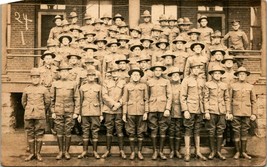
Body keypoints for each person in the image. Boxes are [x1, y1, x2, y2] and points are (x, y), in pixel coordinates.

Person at [50, 64, 80, 160]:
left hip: (70, 111)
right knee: (59, 130)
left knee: (68, 131)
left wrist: (76, 112)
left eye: (66, 71)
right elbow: (52, 99)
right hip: (58, 110)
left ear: (68, 73)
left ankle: (66, 151)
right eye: (62, 71)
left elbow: (77, 98)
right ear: (59, 73)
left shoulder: (73, 84)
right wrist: (53, 111)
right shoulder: (55, 84)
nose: (64, 73)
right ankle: (60, 152)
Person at [180, 62, 207, 162]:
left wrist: (204, 110)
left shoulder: (201, 80)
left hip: (199, 109)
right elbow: (182, 97)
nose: (196, 70)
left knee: (197, 130)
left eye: (198, 68)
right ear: (190, 70)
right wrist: (185, 110)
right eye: (194, 68)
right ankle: (187, 153)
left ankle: (198, 152)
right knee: (188, 129)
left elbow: (204, 96)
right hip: (190, 109)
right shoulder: (186, 80)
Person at [22, 68, 50, 161]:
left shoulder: (44, 89)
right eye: (33, 77)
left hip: (40, 114)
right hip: (29, 114)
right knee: (30, 133)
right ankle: (31, 153)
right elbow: (24, 102)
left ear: (40, 78)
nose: (35, 79)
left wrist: (41, 109)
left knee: (39, 133)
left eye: (37, 77)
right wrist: (29, 109)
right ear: (31, 78)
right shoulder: (26, 89)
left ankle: (38, 153)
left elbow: (47, 103)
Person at [229, 67, 257, 160]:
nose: (242, 76)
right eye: (240, 74)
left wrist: (254, 113)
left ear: (246, 76)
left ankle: (244, 152)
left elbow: (253, 101)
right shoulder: (233, 86)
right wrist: (229, 112)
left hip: (247, 112)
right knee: (236, 131)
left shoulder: (250, 86)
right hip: (235, 112)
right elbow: (229, 100)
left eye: (244, 74)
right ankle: (237, 152)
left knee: (244, 131)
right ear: (237, 76)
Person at [203, 65, 231, 160]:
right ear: (212, 75)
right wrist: (206, 111)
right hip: (211, 110)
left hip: (222, 111)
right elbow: (205, 99)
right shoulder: (207, 84)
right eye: (215, 73)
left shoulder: (224, 85)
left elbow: (227, 99)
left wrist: (228, 111)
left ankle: (219, 151)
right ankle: (212, 151)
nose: (217, 75)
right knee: (211, 130)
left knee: (220, 130)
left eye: (219, 73)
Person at [147, 62, 172, 160]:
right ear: (153, 71)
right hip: (152, 108)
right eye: (156, 70)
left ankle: (161, 151)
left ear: (162, 71)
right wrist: (147, 109)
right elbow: (147, 96)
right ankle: (154, 151)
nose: (157, 72)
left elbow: (169, 96)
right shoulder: (149, 82)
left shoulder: (166, 82)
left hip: (163, 108)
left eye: (159, 70)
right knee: (153, 129)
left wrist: (167, 108)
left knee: (163, 129)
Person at [122, 67, 148, 160]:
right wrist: (124, 113)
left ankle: (140, 152)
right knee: (131, 132)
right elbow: (124, 100)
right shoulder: (127, 86)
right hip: (130, 111)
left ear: (140, 76)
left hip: (141, 111)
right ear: (131, 76)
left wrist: (146, 112)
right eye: (134, 75)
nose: (136, 76)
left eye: (138, 75)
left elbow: (146, 99)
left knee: (141, 132)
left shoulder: (144, 86)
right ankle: (133, 152)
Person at [101, 67, 127, 159]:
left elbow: (125, 94)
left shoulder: (123, 82)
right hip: (109, 109)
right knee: (109, 130)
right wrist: (113, 104)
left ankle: (121, 150)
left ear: (119, 72)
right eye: (113, 72)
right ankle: (108, 150)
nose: (115, 73)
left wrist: (119, 103)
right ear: (110, 73)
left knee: (119, 130)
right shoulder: (106, 82)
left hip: (119, 109)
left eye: (116, 71)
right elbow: (104, 95)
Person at [78, 69, 103, 159]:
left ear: (95, 77)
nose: (91, 77)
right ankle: (84, 151)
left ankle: (95, 151)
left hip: (95, 111)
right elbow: (80, 101)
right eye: (89, 75)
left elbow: (101, 101)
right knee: (85, 130)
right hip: (84, 112)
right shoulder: (82, 87)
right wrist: (79, 114)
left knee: (95, 130)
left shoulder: (99, 87)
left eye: (93, 75)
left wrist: (101, 114)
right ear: (87, 77)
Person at [38, 51, 58, 134]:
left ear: (52, 59)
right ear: (44, 60)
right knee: (43, 109)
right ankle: (42, 128)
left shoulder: (56, 69)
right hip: (43, 90)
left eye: (50, 58)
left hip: (53, 90)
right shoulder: (40, 69)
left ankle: (52, 128)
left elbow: (59, 79)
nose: (48, 60)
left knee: (52, 109)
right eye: (47, 58)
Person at [167, 67, 183, 159]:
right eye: (174, 75)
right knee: (171, 130)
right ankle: (172, 150)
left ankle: (177, 150)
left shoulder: (182, 86)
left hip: (180, 110)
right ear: (171, 77)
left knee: (178, 130)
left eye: (177, 75)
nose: (176, 77)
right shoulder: (168, 85)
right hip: (170, 109)